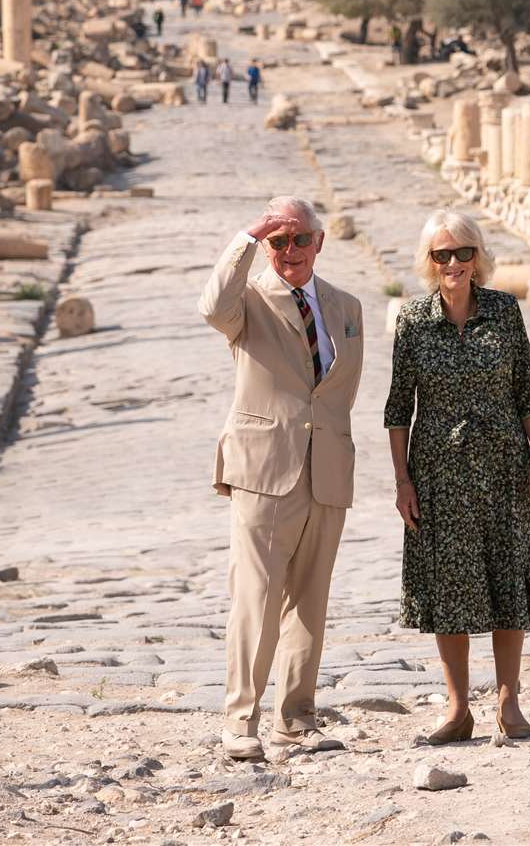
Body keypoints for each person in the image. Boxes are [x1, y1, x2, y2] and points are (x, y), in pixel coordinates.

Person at [199, 196, 365, 760]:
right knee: (256, 598)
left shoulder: (347, 306)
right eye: (279, 241)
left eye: (300, 239)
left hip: (327, 469)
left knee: (310, 602)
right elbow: (210, 305)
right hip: (265, 467)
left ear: (319, 241)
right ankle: (239, 722)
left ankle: (296, 719)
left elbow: (338, 391)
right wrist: (248, 236)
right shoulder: (246, 303)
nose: (290, 251)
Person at [385, 210, 530, 745]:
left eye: (464, 252)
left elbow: (528, 391)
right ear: (429, 262)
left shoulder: (505, 312)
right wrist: (402, 482)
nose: (454, 263)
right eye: (443, 254)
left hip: (505, 466)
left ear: (479, 257)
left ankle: (509, 704)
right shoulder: (413, 321)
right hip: (438, 473)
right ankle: (459, 711)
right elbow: (397, 411)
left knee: (509, 579)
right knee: (448, 589)